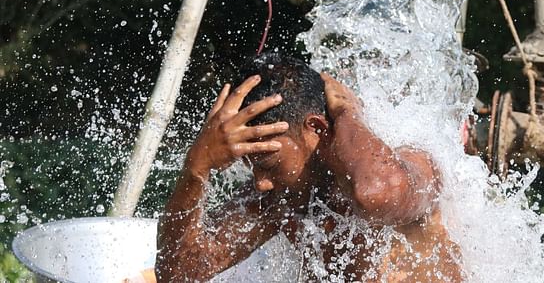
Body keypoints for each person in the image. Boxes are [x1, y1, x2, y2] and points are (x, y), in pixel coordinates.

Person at [155, 54, 463, 282]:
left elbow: (374, 195)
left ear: (315, 127)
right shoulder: (281, 196)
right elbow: (178, 273)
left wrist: (346, 113)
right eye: (250, 165)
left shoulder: (408, 159)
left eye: (267, 163)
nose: (261, 182)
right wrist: (196, 168)